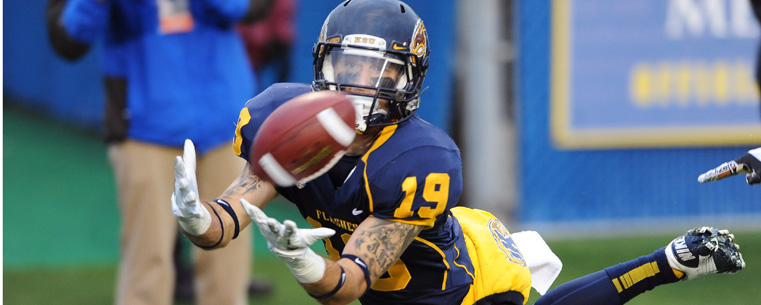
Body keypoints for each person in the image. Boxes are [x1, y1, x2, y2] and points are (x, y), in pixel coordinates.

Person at [171, 1, 746, 304]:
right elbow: (229, 218)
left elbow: (348, 285)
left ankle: (666, 263)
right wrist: (199, 219)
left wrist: (309, 266)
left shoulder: (415, 159)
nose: (358, 85)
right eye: (346, 67)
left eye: (379, 71)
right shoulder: (283, 122)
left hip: (457, 289)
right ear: (321, 66)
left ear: (410, 79)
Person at [46, 0, 274, 304]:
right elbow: (69, 39)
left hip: (224, 121)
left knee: (226, 264)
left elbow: (252, 7)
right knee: (147, 261)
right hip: (145, 125)